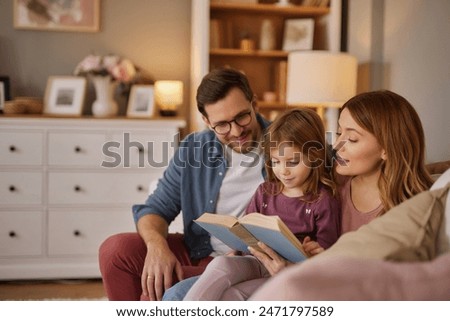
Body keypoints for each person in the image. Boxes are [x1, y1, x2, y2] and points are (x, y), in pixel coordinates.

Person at [179, 89, 434, 300]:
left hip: (311, 288)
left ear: (387, 149)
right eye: (340, 131)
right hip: (270, 268)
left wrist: (298, 269)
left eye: (352, 139)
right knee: (181, 292)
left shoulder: (410, 213)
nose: (338, 144)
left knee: (219, 295)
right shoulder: (336, 177)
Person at [98, 67, 271, 301]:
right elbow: (155, 209)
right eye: (222, 125)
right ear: (207, 121)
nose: (236, 131)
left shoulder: (289, 144)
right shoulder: (194, 148)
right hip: (200, 252)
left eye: (242, 116)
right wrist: (157, 246)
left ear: (255, 104)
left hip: (249, 264)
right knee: (115, 251)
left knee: (160, 290)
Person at [182, 108, 341, 300]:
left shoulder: (322, 201)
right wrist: (237, 246)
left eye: (292, 162)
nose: (283, 171)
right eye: (276, 161)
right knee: (220, 264)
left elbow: (327, 252)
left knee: (233, 295)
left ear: (314, 157)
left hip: (288, 271)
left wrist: (312, 251)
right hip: (257, 261)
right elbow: (245, 229)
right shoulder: (265, 191)